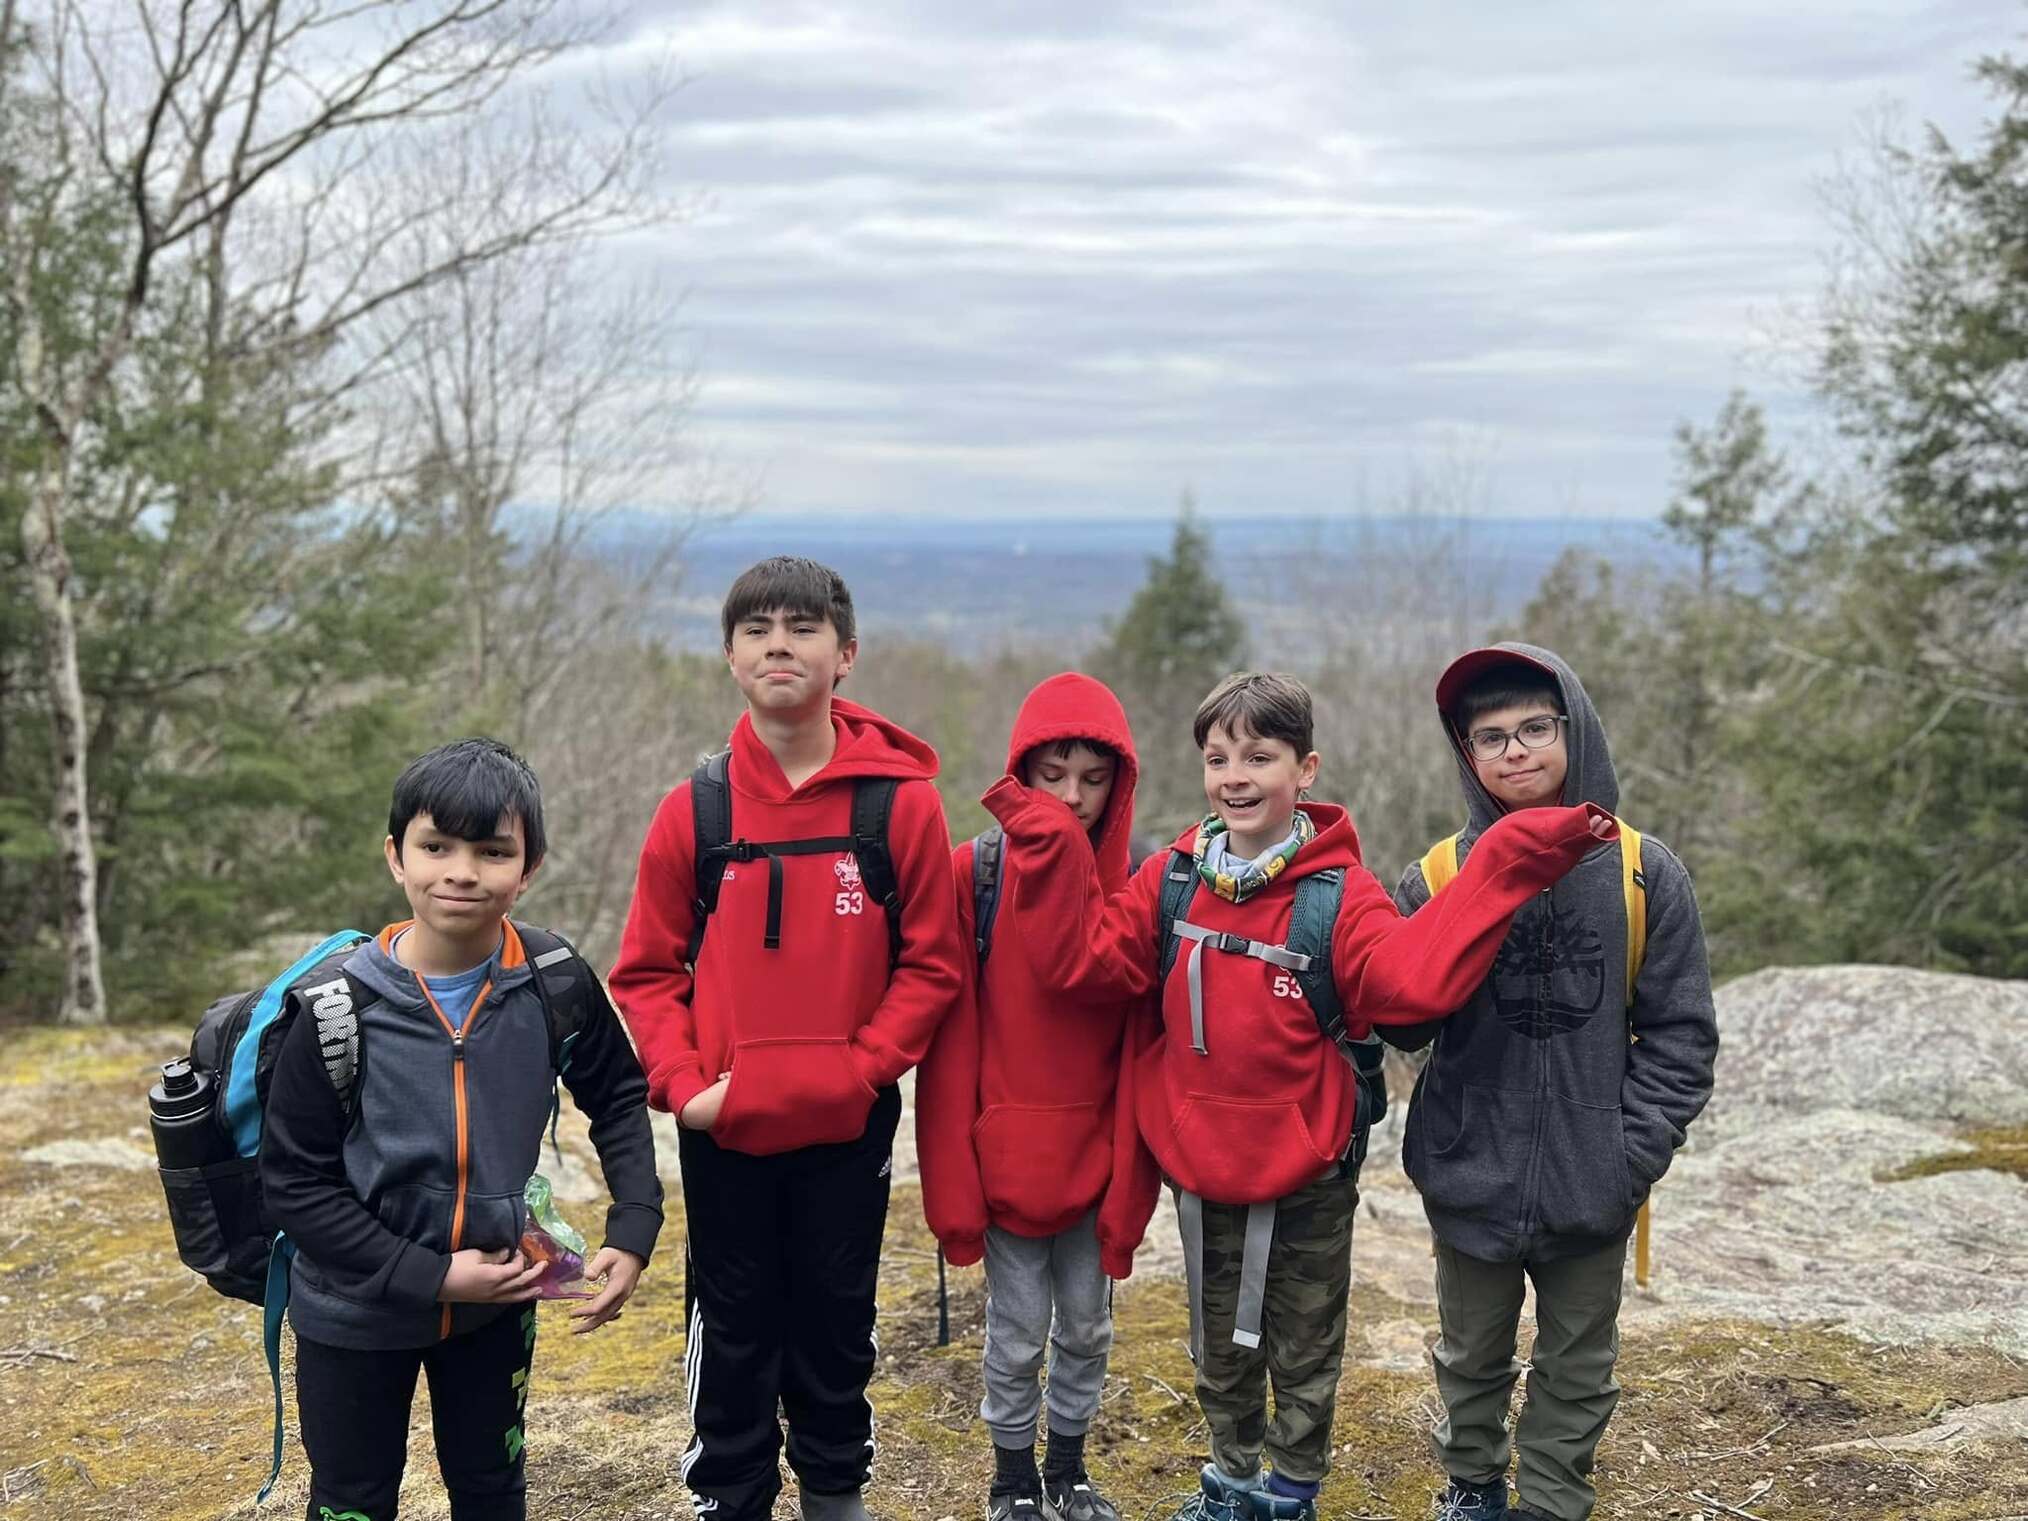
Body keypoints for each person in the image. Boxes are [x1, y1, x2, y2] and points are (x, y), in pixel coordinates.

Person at [980, 671, 1616, 1521]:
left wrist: (1504, 861)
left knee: (1306, 1343)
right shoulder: (1173, 879)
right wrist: (1047, 840)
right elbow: (1083, 964)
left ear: (1304, 769)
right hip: (1202, 1166)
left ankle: (1290, 1493)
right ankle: (1232, 1480)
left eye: (1259, 756)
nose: (1235, 776)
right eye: (1218, 758)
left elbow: (1404, 988)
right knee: (1216, 1344)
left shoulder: (1338, 892)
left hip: (1309, 1169)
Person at [609, 555, 964, 1521]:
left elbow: (933, 965)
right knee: (730, 1327)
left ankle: (834, 1494)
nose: (780, 644)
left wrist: (861, 1069)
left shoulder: (898, 805)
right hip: (725, 1128)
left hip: (850, 1125)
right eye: (757, 629)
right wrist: (687, 1089)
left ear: (845, 654)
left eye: (803, 627)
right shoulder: (697, 809)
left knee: (837, 1320)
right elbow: (645, 972)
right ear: (729, 655)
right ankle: (730, 1498)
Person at [262, 737, 663, 1521]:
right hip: (352, 1307)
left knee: (491, 1488)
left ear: (529, 866)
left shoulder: (552, 981)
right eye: (436, 846)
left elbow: (618, 1094)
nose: (461, 871)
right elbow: (294, 1184)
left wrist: (635, 1223)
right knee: (351, 1499)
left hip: (497, 1301)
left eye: (492, 850)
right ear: (395, 856)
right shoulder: (335, 1008)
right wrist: (433, 1275)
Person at [1384, 645, 1718, 1521]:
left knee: (1578, 1364)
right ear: (1467, 752)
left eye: (1536, 727)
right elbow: (1403, 1026)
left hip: (1593, 1177)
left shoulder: (1644, 873)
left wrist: (1627, 1154)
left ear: (1575, 728)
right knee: (1470, 1353)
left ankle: (1553, 1500)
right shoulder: (1436, 877)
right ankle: (1472, 1487)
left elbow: (1681, 1037)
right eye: (1490, 736)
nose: (1516, 750)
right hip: (1471, 1171)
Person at [917, 672, 1158, 1521]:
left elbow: (1140, 1046)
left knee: (1088, 1329)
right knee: (1016, 1335)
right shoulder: (974, 874)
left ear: (1121, 782)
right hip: (1005, 1162)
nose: (1072, 797)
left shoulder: (1139, 884)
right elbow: (952, 1042)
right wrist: (954, 1181)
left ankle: (1069, 1467)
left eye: (1094, 778)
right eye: (1052, 775)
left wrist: (1134, 1172)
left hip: (1098, 1162)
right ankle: (1012, 1477)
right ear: (1021, 771)